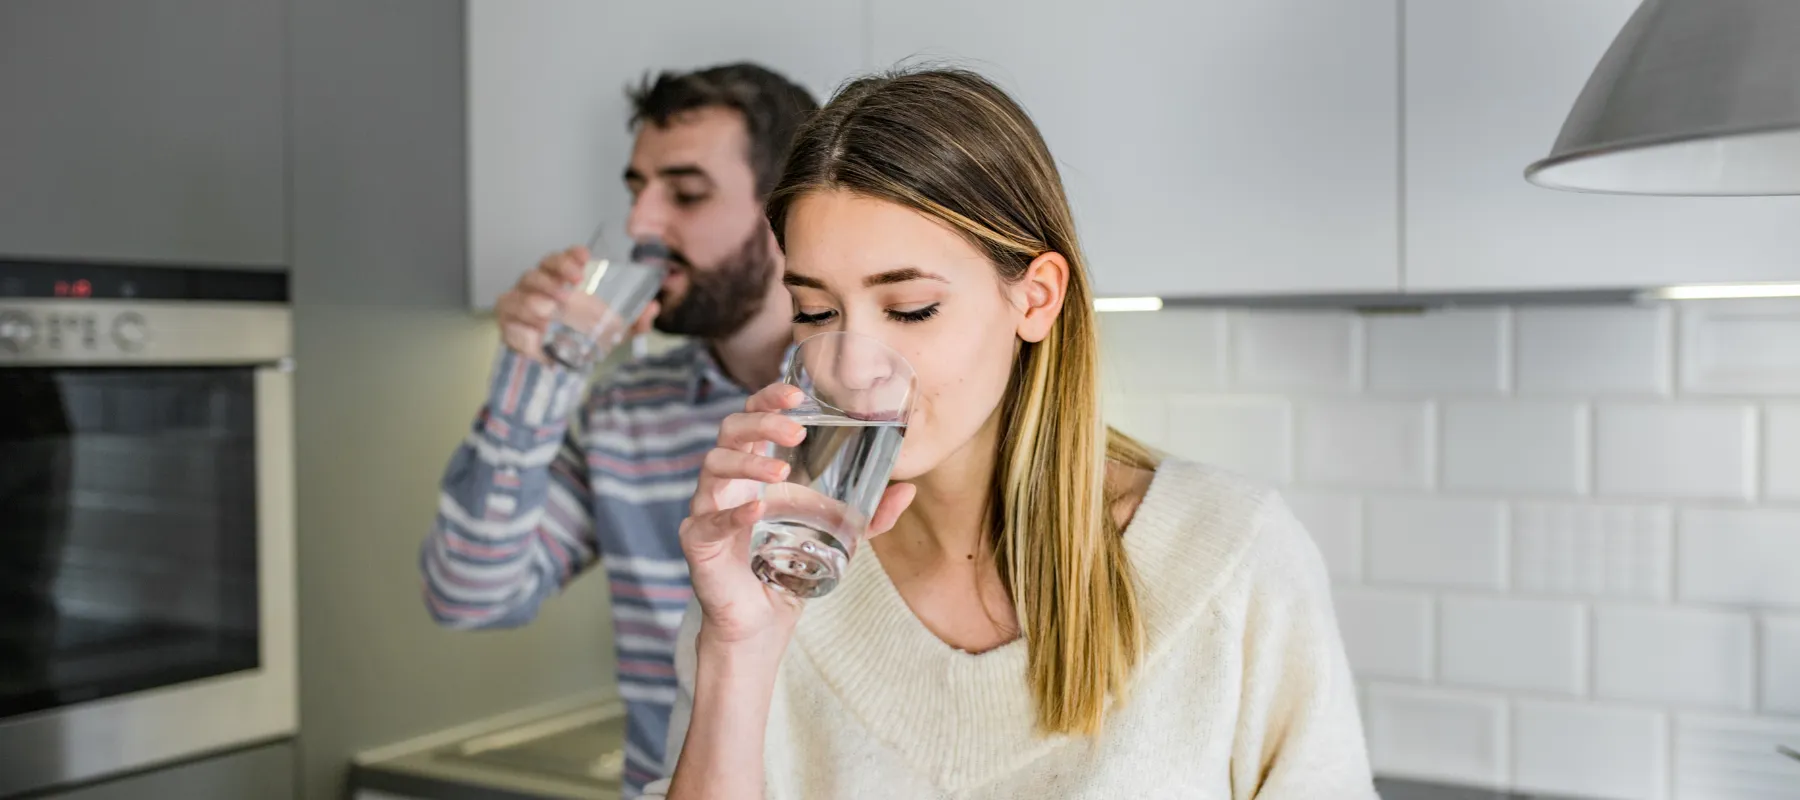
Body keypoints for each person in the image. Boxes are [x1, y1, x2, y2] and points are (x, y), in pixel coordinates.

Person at [644, 68, 1377, 799]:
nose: (854, 368)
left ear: (1036, 298)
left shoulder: (1231, 557)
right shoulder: (777, 569)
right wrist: (739, 652)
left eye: (910, 309)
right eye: (815, 313)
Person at [419, 63, 817, 798]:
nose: (640, 226)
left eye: (686, 194)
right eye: (638, 190)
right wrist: (534, 378)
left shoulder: (879, 416)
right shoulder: (626, 410)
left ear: (787, 208)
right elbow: (468, 594)